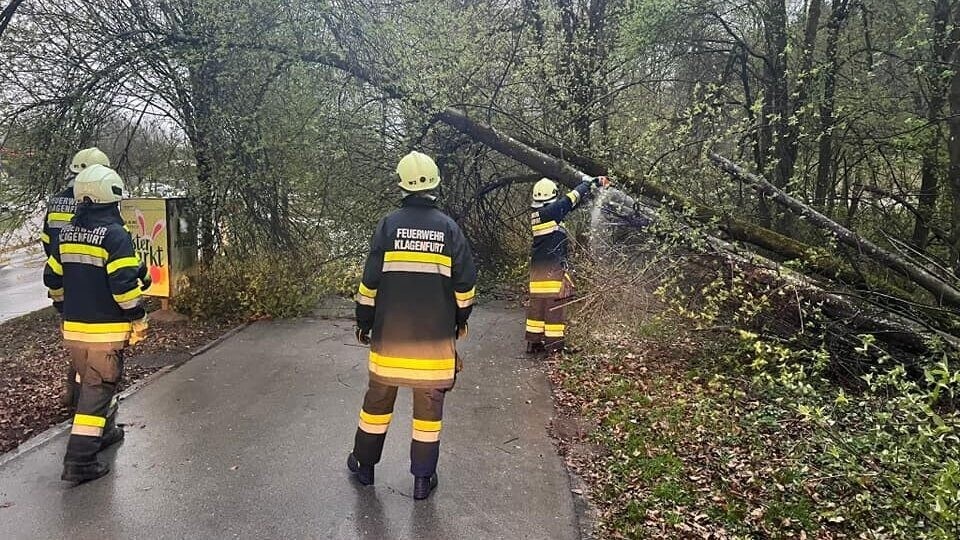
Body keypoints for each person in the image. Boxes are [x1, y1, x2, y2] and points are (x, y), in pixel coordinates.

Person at [347, 151, 477, 500]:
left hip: (390, 343)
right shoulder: (450, 229)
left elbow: (369, 284)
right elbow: (465, 288)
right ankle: (422, 480)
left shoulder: (388, 226)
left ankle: (364, 467)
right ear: (435, 183)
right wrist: (458, 323)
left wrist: (363, 323)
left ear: (401, 184)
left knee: (375, 406)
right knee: (428, 415)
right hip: (434, 347)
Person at [43, 164, 149, 483]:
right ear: (112, 197)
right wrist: (138, 318)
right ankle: (80, 461)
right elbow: (124, 286)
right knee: (97, 390)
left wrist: (64, 308)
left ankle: (105, 434)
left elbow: (52, 278)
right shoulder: (115, 235)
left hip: (74, 332)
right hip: (105, 333)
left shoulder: (66, 232)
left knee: (93, 386)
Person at [41, 148, 113, 408]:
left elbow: (47, 241)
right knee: (93, 345)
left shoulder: (56, 202)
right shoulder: (90, 203)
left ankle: (73, 392)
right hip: (92, 285)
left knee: (74, 340)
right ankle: (89, 399)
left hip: (62, 281)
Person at [525, 175, 609, 354]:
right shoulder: (551, 212)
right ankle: (555, 347)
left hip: (538, 270)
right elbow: (570, 200)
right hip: (551, 270)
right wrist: (587, 182)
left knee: (537, 308)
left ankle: (534, 342)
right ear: (551, 196)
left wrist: (592, 190)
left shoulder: (541, 214)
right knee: (555, 308)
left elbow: (569, 205)